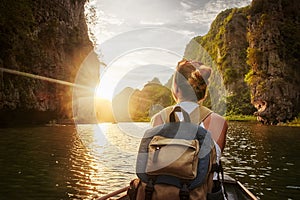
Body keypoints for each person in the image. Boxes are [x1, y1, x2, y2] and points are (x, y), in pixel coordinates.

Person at [150, 59, 228, 162]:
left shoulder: (159, 118)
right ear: (203, 91)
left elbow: (152, 158)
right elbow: (213, 162)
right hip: (202, 178)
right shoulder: (219, 121)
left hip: (166, 178)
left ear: (176, 88)